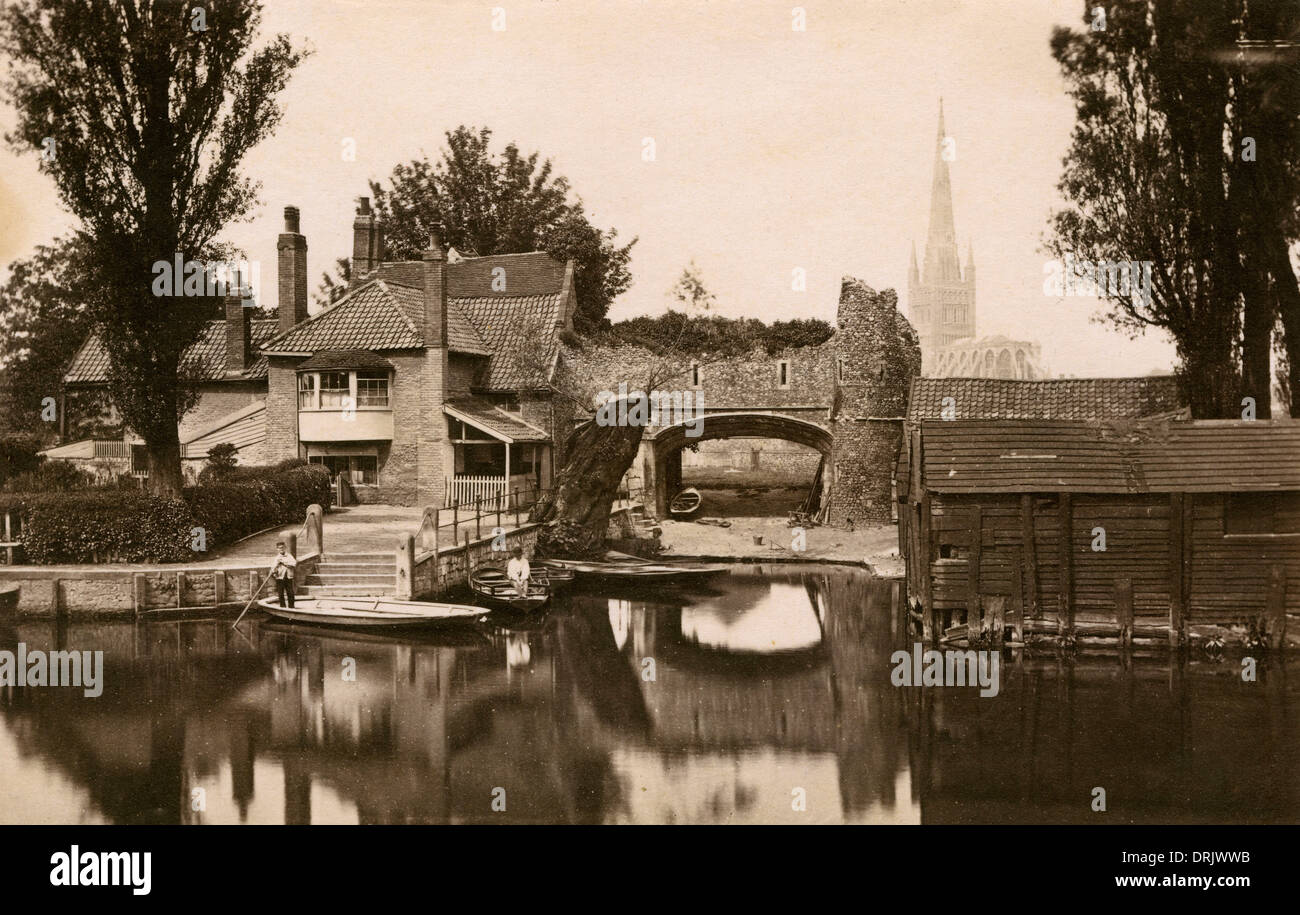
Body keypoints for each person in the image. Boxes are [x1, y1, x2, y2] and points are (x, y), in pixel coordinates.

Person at [270, 540, 298, 607]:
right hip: (280, 577)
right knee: (280, 593)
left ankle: (291, 606)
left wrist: (284, 563)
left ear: (285, 548)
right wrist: (276, 565)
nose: (281, 549)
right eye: (279, 548)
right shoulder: (277, 558)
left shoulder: (289, 556)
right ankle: (282, 606)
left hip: (288, 576)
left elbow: (294, 563)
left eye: (282, 547)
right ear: (277, 549)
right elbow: (273, 568)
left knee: (290, 592)